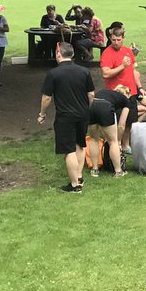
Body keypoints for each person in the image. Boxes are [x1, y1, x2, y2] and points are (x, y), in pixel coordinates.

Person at [38, 43, 95, 192]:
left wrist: (42, 114)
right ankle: (79, 175)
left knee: (69, 150)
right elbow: (91, 94)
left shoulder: (53, 74)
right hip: (83, 114)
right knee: (80, 145)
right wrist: (87, 109)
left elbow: (46, 98)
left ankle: (75, 185)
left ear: (58, 54)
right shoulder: (84, 71)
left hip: (65, 116)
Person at [86, 85, 130, 178]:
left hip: (91, 105)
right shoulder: (126, 100)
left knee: (94, 139)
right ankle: (118, 171)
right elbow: (122, 125)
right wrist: (118, 140)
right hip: (105, 106)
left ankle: (94, 169)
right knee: (113, 142)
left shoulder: (105, 92)